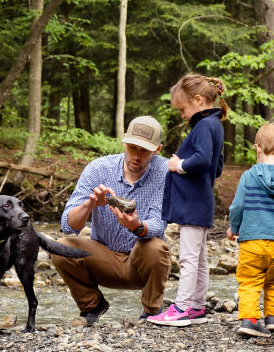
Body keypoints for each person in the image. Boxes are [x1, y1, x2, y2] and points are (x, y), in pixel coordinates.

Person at [50, 116, 171, 325]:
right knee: (60, 248)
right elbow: (68, 226)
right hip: (103, 258)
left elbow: (159, 223)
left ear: (158, 149)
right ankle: (92, 306)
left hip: (141, 262)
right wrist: (89, 206)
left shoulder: (166, 172)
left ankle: (152, 312)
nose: (137, 156)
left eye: (144, 151)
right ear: (124, 143)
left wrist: (137, 226)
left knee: (156, 247)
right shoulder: (98, 168)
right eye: (132, 148)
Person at [147, 73, 225, 327]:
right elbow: (218, 166)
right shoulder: (215, 125)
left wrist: (178, 164)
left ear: (199, 100)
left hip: (193, 203)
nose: (181, 115)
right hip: (201, 200)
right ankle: (197, 307)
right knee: (199, 257)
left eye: (183, 108)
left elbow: (202, 160)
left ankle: (181, 308)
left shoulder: (204, 126)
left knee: (189, 258)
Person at [226, 123, 274, 337]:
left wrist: (234, 228)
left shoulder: (249, 176)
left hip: (251, 241)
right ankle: (272, 319)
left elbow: (237, 207)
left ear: (257, 149)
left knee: (250, 281)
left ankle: (250, 320)